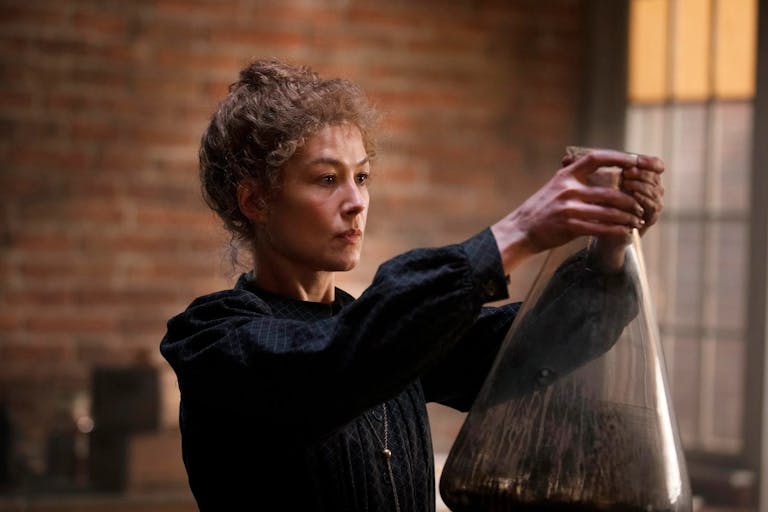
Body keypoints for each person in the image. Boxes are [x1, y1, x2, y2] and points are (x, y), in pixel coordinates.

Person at [160, 59, 664, 511]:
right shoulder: (211, 342)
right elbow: (330, 361)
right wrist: (519, 231)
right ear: (256, 202)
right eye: (326, 179)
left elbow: (522, 346)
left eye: (362, 177)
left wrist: (609, 243)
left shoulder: (385, 334)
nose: (356, 202)